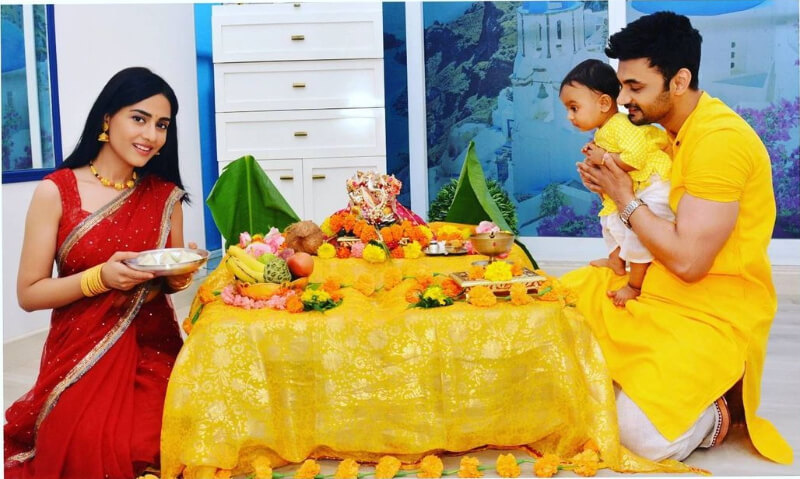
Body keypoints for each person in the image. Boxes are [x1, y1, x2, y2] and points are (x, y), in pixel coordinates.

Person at [562, 11, 793, 464]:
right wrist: (611, 186)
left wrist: (624, 198)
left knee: (638, 435)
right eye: (622, 84)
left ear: (680, 80)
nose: (623, 98)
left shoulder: (719, 143)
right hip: (653, 293)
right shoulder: (664, 134)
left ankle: (722, 405)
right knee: (555, 316)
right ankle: (643, 380)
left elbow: (689, 263)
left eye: (635, 87)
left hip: (710, 313)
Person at [4, 67, 196, 478]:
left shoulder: (166, 198)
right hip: (80, 350)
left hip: (152, 344)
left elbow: (164, 281)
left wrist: (179, 275)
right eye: (139, 118)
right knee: (90, 447)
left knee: (159, 442)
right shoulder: (56, 191)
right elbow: (29, 293)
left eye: (162, 125)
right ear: (108, 118)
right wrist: (99, 279)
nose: (152, 135)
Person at [559, 59, 674, 306]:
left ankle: (635, 285)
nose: (569, 116)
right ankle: (616, 261)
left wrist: (605, 157)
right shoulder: (606, 130)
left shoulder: (620, 125)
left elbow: (636, 157)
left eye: (574, 108)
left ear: (603, 103)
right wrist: (596, 153)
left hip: (654, 186)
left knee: (638, 233)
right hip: (639, 188)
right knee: (609, 220)